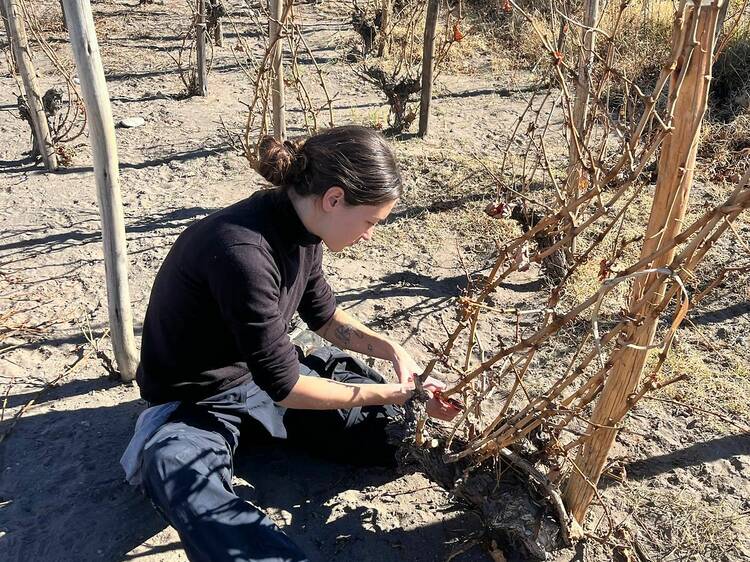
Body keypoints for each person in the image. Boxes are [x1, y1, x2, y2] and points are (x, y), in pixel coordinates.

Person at [124, 125, 459, 562]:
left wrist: (393, 351)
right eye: (371, 222)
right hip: (197, 403)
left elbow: (323, 314)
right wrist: (394, 392)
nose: (371, 234)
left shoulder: (304, 226)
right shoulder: (242, 250)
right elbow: (285, 386)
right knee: (180, 477)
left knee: (387, 435)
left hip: (267, 379)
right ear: (334, 199)